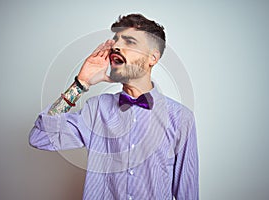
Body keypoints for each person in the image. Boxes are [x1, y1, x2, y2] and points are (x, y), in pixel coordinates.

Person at [29, 14, 199, 200]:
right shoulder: (96, 109)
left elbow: (187, 193)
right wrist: (80, 84)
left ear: (152, 58)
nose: (116, 46)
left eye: (130, 42)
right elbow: (40, 136)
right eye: (116, 40)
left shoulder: (181, 118)